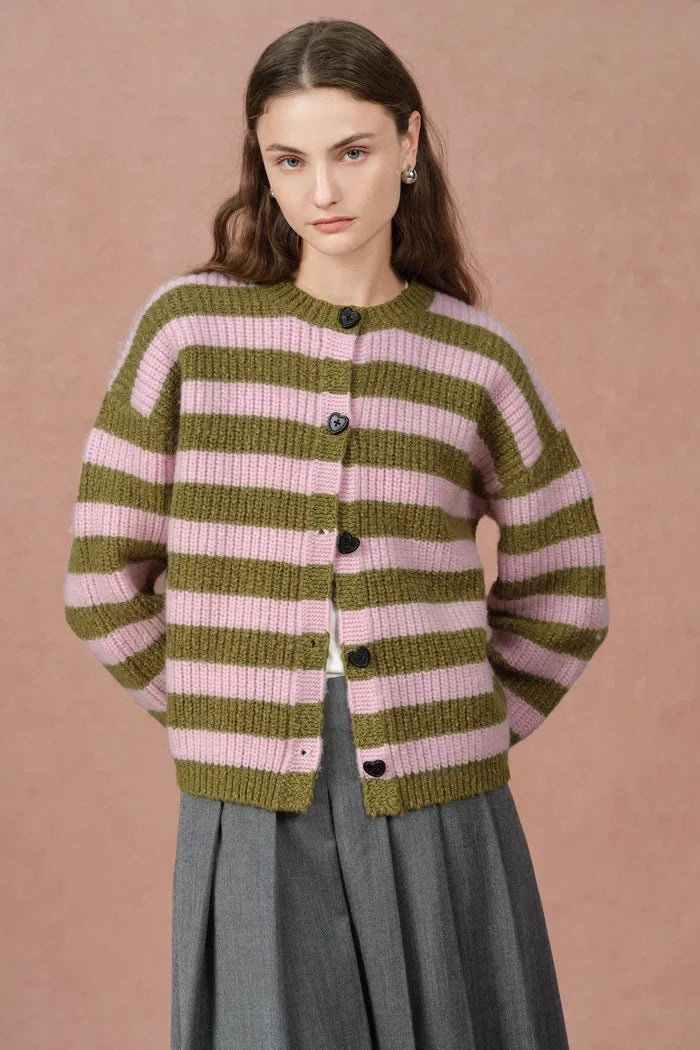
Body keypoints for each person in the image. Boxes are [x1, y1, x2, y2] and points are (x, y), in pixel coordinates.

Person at [63, 17, 609, 1050]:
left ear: (409, 143)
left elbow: (568, 586)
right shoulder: (187, 333)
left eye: (352, 151)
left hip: (440, 783)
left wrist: (465, 721)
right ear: (261, 167)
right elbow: (100, 576)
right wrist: (218, 709)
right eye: (290, 160)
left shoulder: (476, 360)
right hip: (248, 793)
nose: (322, 190)